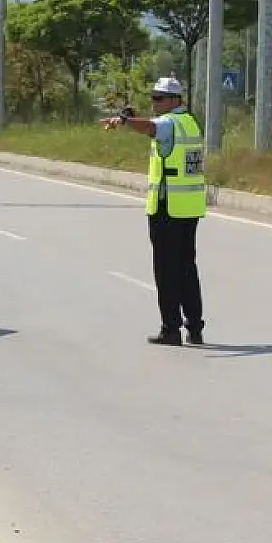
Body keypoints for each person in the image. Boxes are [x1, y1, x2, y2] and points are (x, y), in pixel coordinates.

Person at [101, 76, 206, 346]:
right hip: (189, 208)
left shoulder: (169, 124)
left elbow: (150, 127)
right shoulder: (189, 122)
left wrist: (124, 122)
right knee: (186, 268)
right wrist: (130, 118)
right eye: (153, 98)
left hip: (167, 208)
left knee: (166, 270)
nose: (155, 102)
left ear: (175, 100)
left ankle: (170, 329)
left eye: (159, 98)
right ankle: (194, 327)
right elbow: (150, 123)